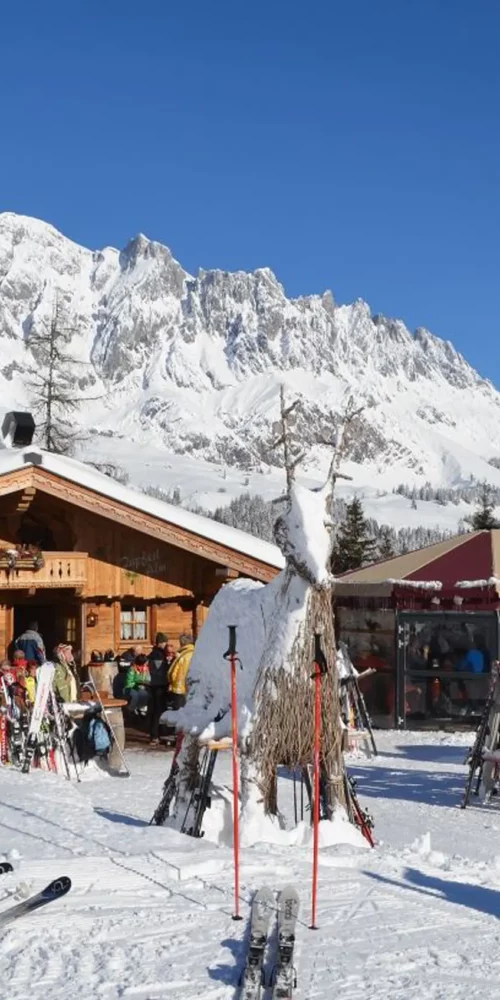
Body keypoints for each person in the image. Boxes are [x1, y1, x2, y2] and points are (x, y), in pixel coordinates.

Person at [147, 632, 171, 746]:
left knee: (155, 710)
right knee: (158, 710)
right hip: (159, 686)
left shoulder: (154, 653)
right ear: (161, 642)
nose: (167, 644)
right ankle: (155, 735)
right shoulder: (158, 655)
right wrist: (169, 666)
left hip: (154, 685)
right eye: (165, 642)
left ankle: (156, 733)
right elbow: (159, 670)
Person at [167, 633, 195, 710]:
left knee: (178, 713)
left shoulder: (181, 655)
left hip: (179, 688)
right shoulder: (195, 653)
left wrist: (171, 682)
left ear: (182, 643)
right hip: (192, 689)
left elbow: (172, 672)